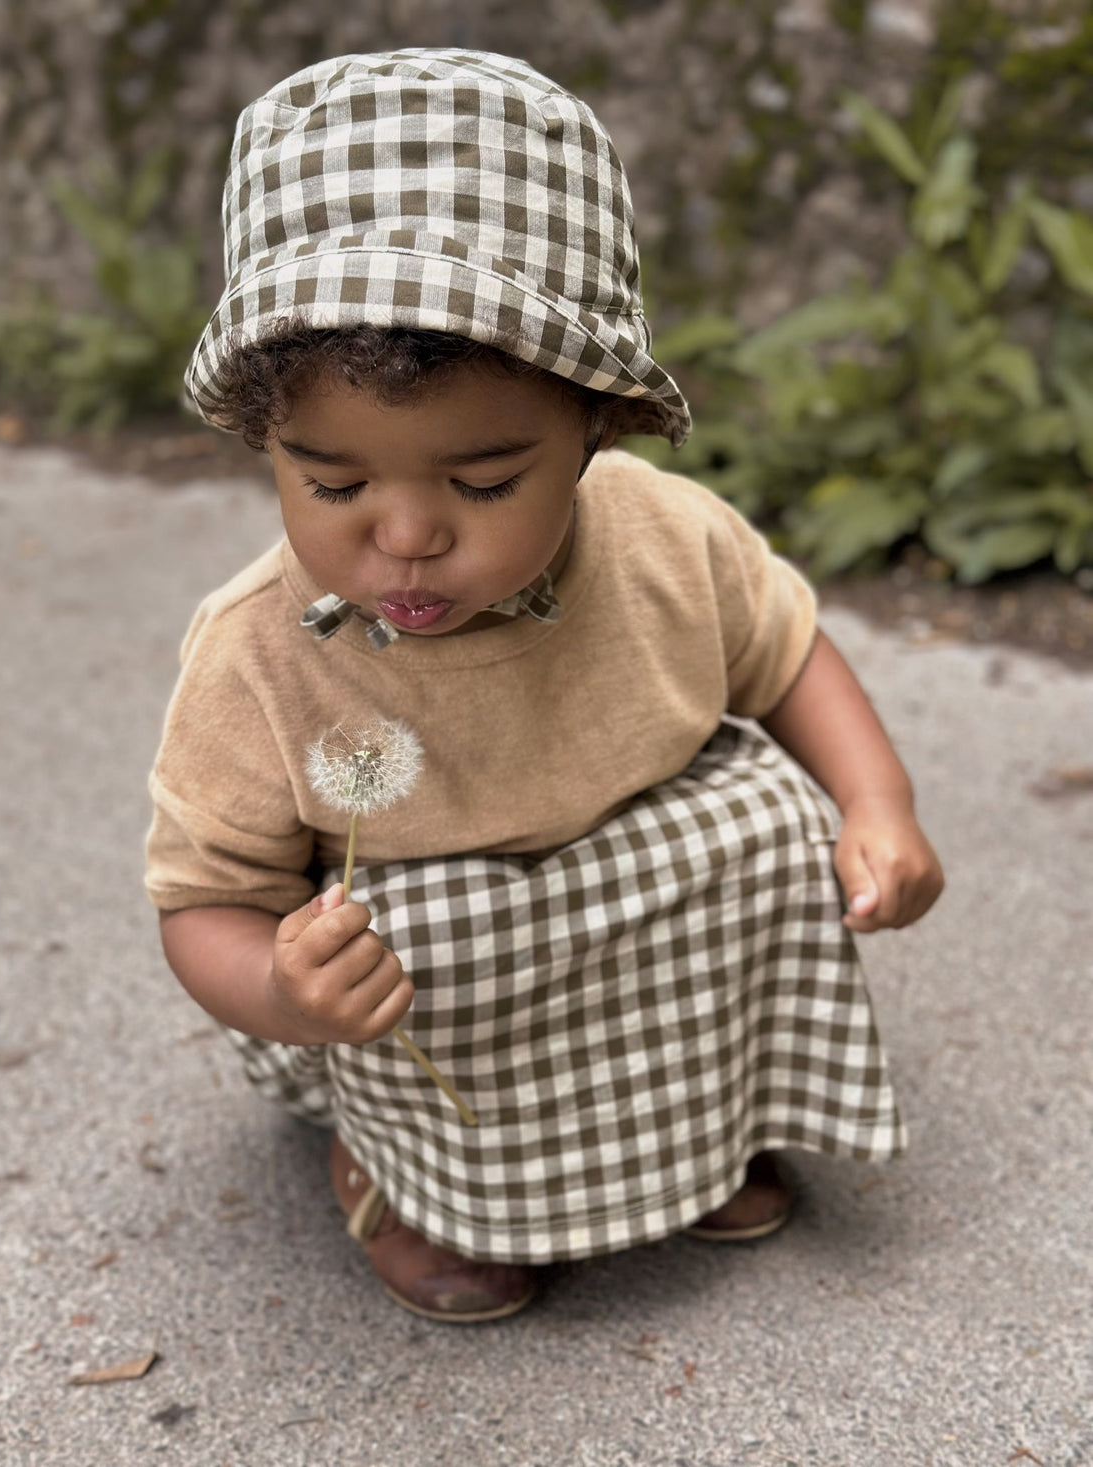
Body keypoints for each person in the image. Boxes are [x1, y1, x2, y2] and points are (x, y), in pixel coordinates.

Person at [146, 49, 943, 1324]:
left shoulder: (665, 538)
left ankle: (692, 1132)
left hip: (638, 910)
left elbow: (784, 652)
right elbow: (203, 907)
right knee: (420, 940)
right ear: (263, 437)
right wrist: (289, 992)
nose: (403, 536)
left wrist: (877, 800)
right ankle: (396, 1171)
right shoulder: (258, 654)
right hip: (436, 986)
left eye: (482, 483)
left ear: (595, 426)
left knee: (769, 822)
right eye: (333, 483)